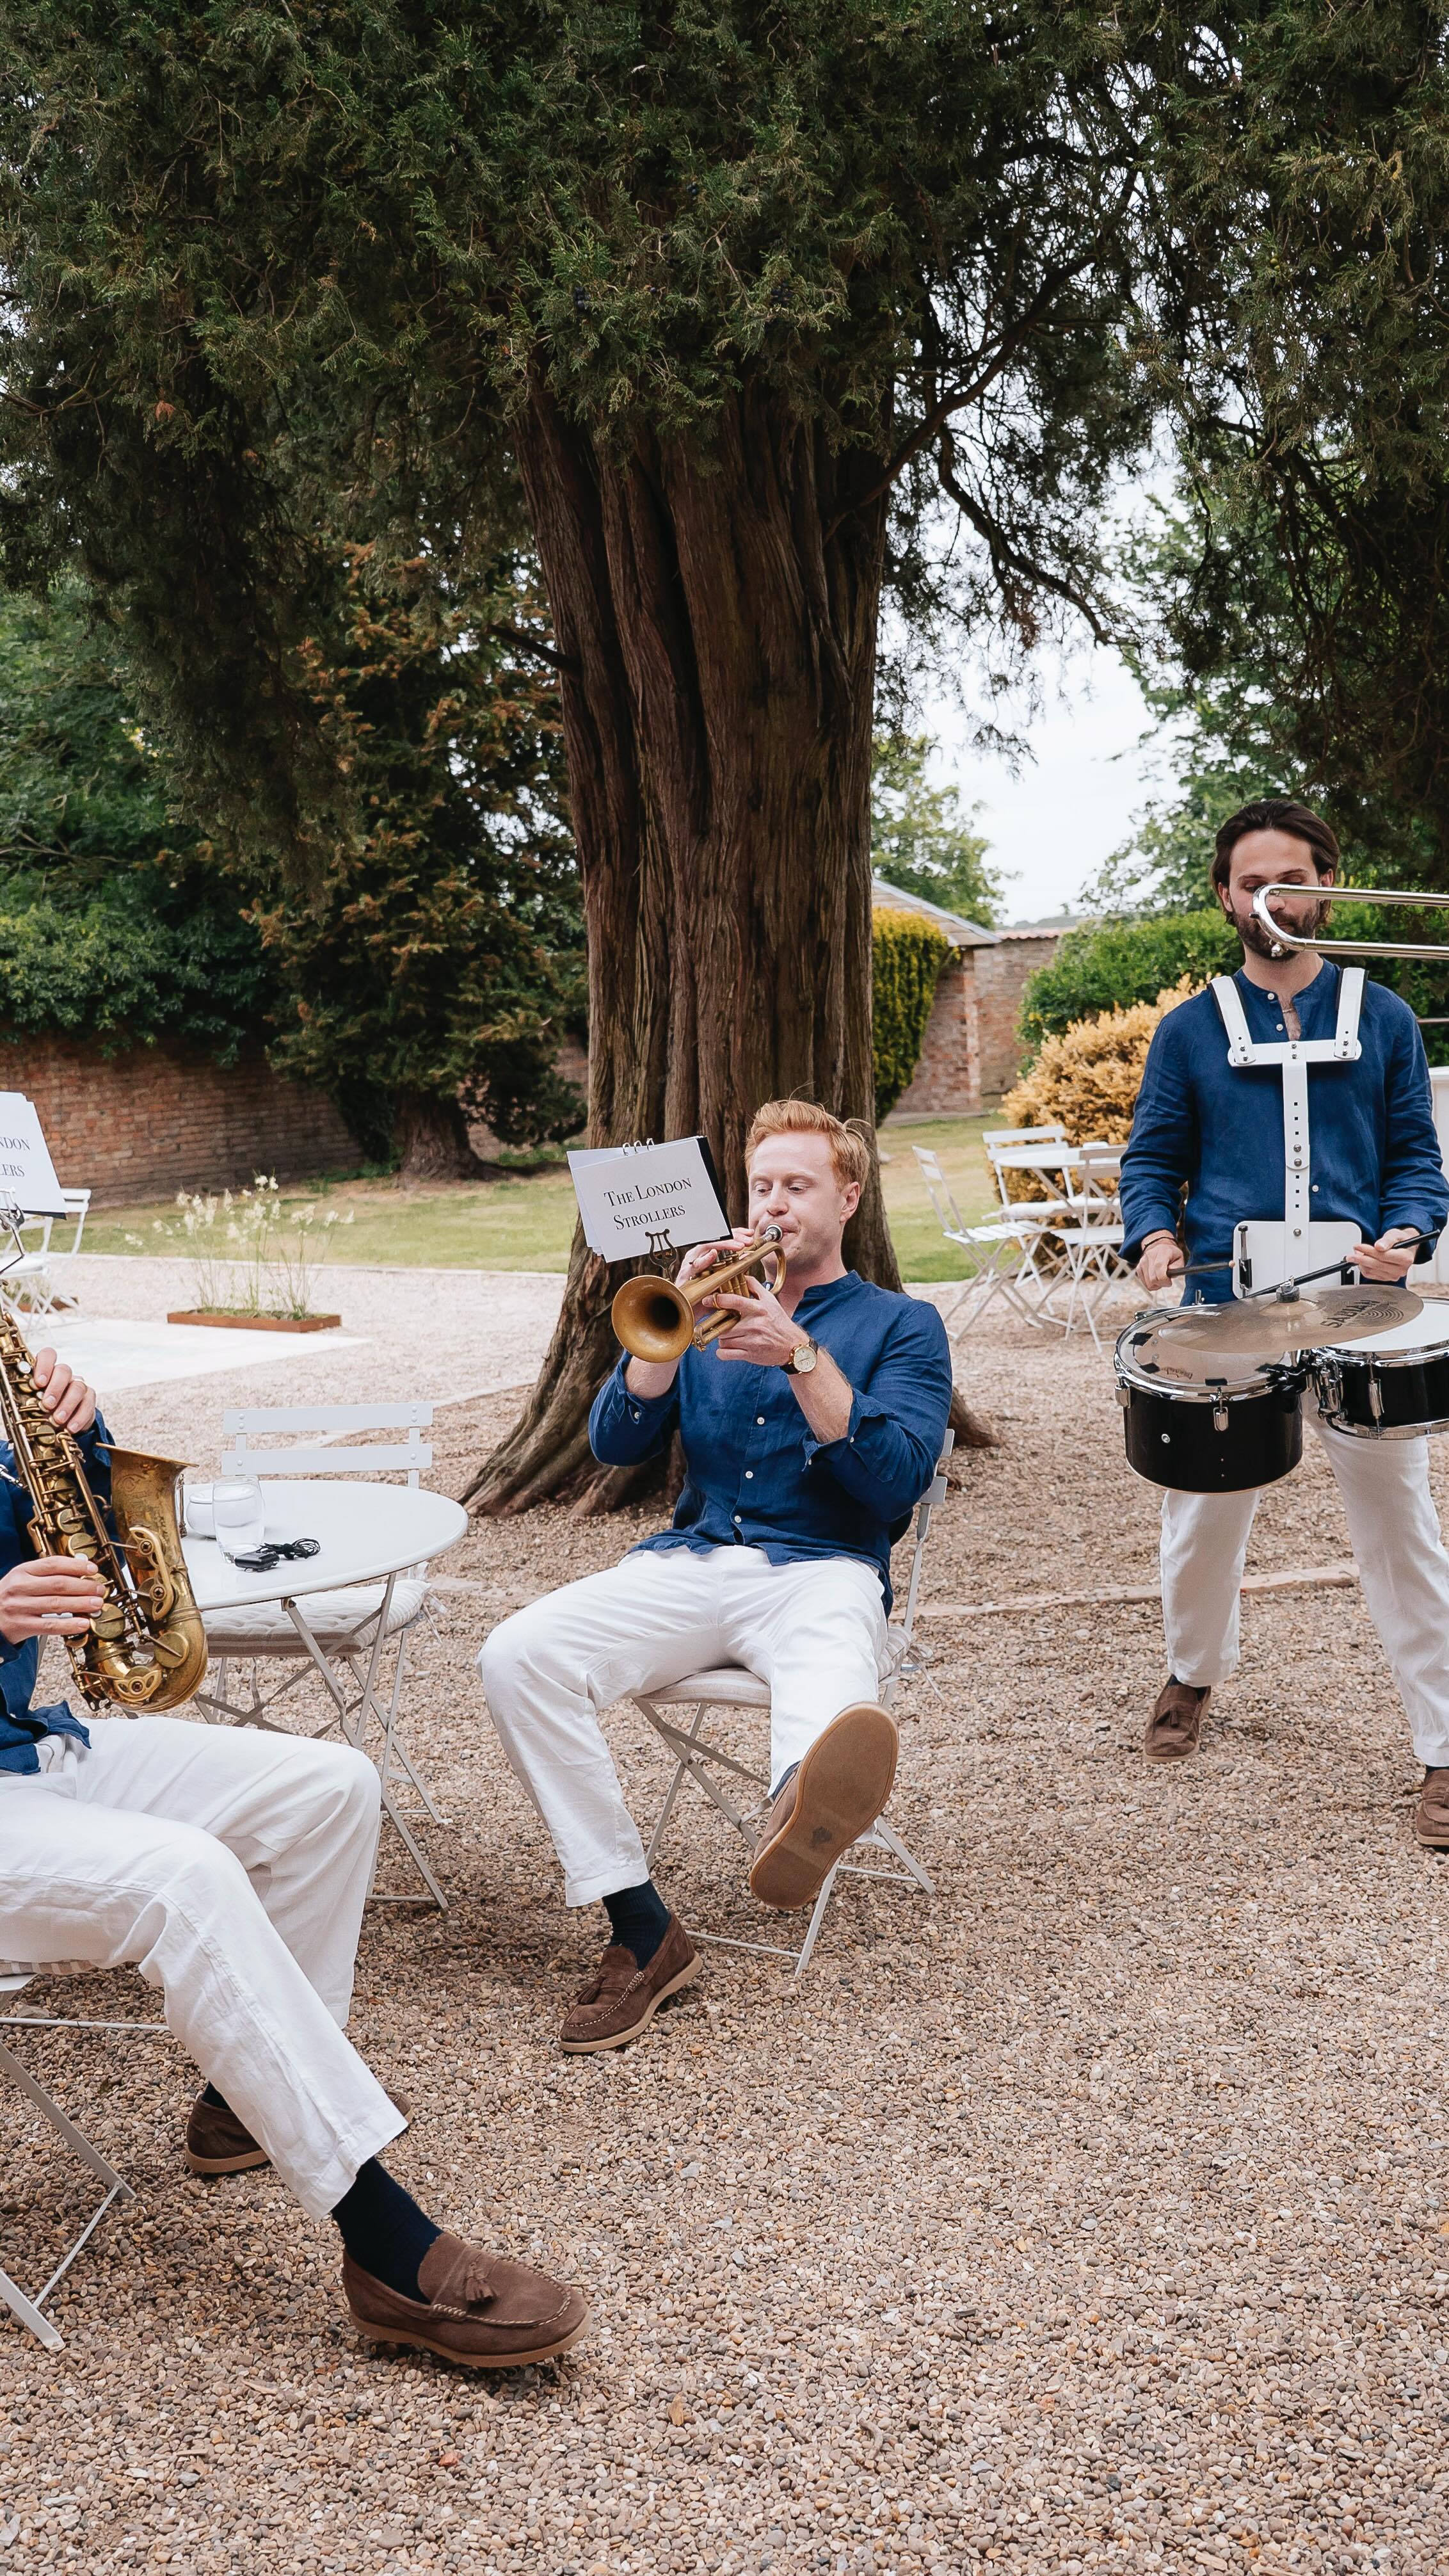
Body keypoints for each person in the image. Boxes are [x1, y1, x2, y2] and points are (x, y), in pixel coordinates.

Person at [0, 1348, 587, 2367]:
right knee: (186, 1877)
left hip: (24, 1744)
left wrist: (75, 1438)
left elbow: (78, 1530)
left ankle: (246, 2104)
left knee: (332, 1788)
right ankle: (384, 2242)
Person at [479, 1100, 954, 2050]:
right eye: (763, 1185)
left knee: (831, 1671)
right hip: (692, 1562)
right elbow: (614, 1442)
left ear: (849, 1197)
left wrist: (802, 1356)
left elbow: (891, 1483)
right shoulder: (708, 1313)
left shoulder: (904, 1324)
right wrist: (667, 1335)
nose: (773, 1204)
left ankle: (801, 1802)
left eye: (798, 1186)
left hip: (824, 1568)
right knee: (516, 1655)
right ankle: (641, 1925)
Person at [1119, 796, 1449, 1849]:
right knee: (1203, 1514)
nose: (1272, 897)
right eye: (1251, 879)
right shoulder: (1189, 1027)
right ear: (1225, 895)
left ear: (1324, 883)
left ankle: (1444, 1749)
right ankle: (1191, 1671)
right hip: (1230, 1309)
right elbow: (1150, 1162)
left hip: (1362, 1306)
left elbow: (1417, 1165)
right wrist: (1155, 1240)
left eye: (1291, 877)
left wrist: (1406, 1229)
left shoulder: (1385, 1017)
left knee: (1402, 1522)